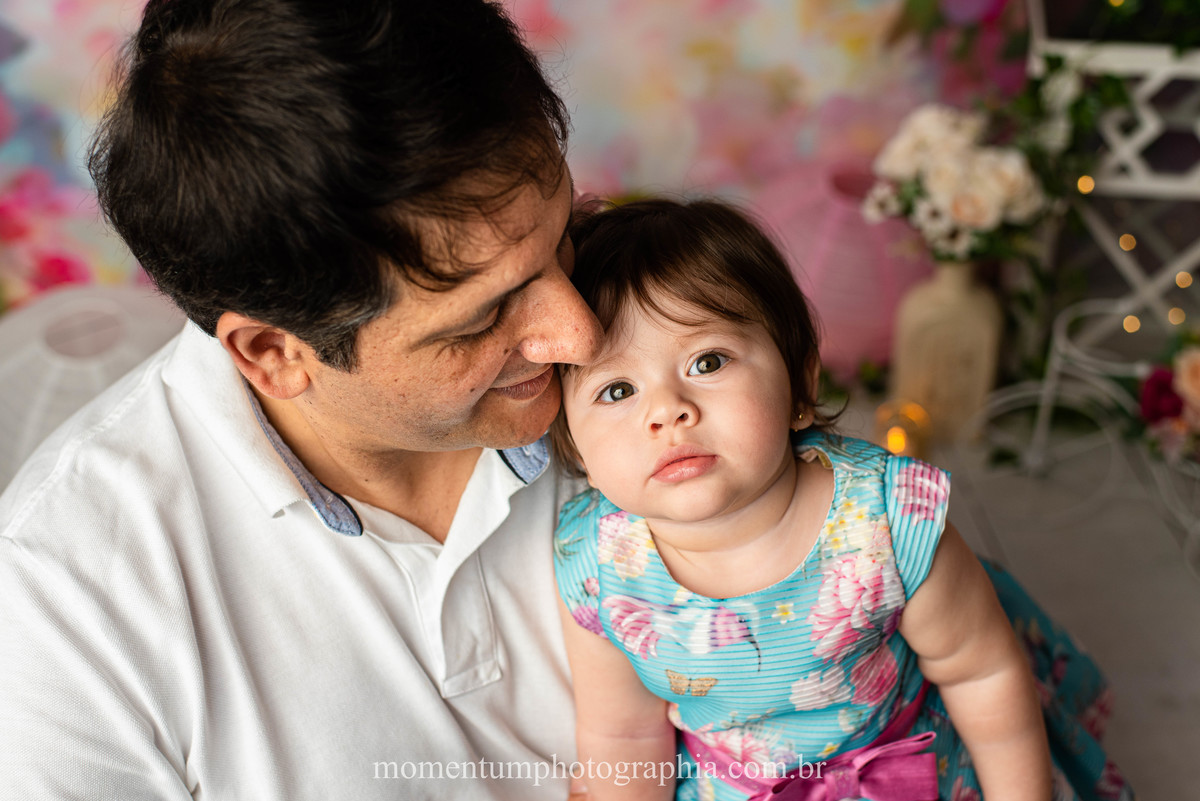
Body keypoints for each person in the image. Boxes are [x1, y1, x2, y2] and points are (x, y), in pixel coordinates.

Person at [0, 1, 603, 798]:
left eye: (562, 237)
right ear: (274, 353)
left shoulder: (681, 343)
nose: (581, 334)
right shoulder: (68, 600)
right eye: (483, 318)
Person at [551, 198, 1132, 801]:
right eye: (616, 390)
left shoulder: (885, 521)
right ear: (576, 448)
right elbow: (624, 736)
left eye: (708, 361)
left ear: (800, 384)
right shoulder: (598, 566)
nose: (667, 411)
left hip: (912, 772)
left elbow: (981, 673)